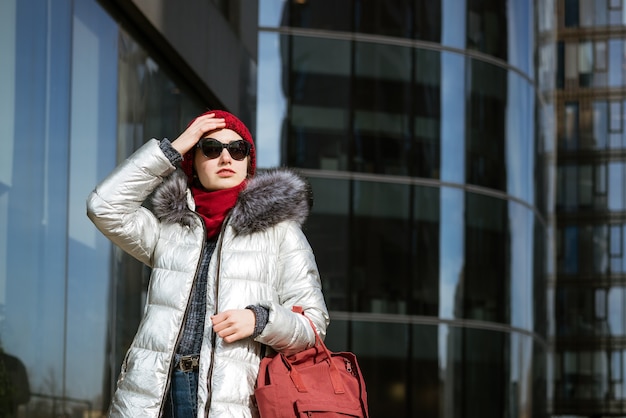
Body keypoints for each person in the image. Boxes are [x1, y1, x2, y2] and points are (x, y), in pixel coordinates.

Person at [86, 110, 329, 418]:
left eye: (237, 150)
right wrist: (172, 148)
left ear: (247, 162)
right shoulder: (170, 230)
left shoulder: (280, 232)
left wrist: (261, 319)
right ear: (193, 162)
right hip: (153, 394)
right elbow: (103, 206)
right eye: (211, 149)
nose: (226, 158)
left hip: (233, 400)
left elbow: (313, 324)